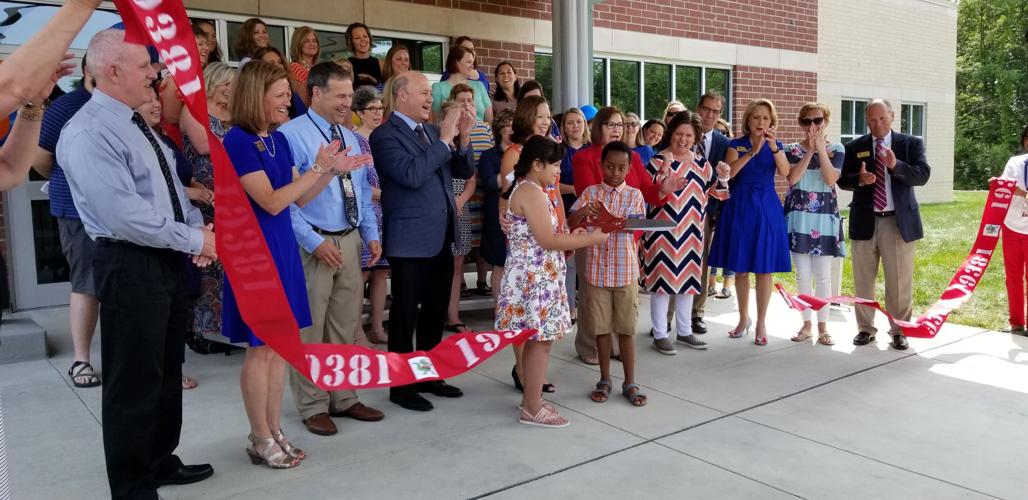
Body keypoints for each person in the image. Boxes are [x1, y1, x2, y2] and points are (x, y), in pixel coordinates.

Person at [58, 29, 217, 497]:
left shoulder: (136, 123)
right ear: (113, 72)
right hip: (130, 262)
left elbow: (169, 193)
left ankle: (159, 460)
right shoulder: (89, 131)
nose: (155, 74)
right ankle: (131, 485)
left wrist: (197, 235)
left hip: (165, 260)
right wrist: (194, 236)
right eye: (146, 66)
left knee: (165, 370)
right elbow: (124, 216)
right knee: (133, 380)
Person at [222, 60, 361, 468]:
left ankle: (273, 431)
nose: (288, 101)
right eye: (280, 95)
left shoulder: (276, 141)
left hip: (281, 248)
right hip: (255, 255)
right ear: (256, 96)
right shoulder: (239, 141)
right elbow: (270, 200)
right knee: (259, 349)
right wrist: (319, 168)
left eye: (288, 94)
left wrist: (330, 173)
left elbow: (298, 198)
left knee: (280, 348)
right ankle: (259, 435)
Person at [280, 62, 384, 436]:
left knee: (343, 326)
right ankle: (312, 404)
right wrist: (314, 241)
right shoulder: (291, 136)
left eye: (349, 94)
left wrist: (369, 234)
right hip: (313, 242)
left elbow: (358, 191)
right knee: (309, 329)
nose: (347, 102)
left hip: (350, 239)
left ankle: (344, 396)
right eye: (339, 95)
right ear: (316, 93)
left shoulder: (353, 137)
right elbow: (285, 202)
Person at [369, 71, 476, 412]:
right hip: (410, 239)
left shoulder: (432, 131)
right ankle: (400, 386)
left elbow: (461, 172)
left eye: (430, 93)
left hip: (440, 235)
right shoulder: (385, 135)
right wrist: (445, 140)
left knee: (433, 311)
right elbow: (411, 175)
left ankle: (429, 375)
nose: (430, 99)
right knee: (404, 314)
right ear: (401, 96)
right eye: (423, 93)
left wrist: (463, 137)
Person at [497, 136, 607, 427]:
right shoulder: (531, 191)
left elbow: (553, 231)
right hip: (535, 280)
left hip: (540, 276)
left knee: (540, 342)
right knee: (540, 342)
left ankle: (531, 400)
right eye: (555, 165)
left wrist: (581, 225)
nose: (559, 171)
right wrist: (591, 239)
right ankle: (532, 407)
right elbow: (547, 239)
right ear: (536, 164)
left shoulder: (535, 189)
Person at [571, 105, 683, 363]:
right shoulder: (585, 157)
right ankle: (589, 348)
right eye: (610, 124)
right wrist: (618, 219)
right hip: (594, 239)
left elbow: (648, 191)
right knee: (593, 296)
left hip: (625, 241)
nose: (615, 129)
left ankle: (615, 347)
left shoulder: (629, 157)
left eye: (620, 125)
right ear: (597, 127)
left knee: (621, 299)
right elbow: (589, 197)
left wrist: (663, 189)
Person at [837, 99, 931, 350]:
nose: (877, 124)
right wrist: (860, 179)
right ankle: (865, 328)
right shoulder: (855, 146)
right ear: (866, 120)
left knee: (899, 281)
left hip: (897, 223)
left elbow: (922, 175)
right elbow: (843, 180)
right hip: (865, 221)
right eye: (871, 120)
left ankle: (899, 330)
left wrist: (894, 165)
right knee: (863, 279)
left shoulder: (910, 144)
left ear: (892, 116)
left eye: (882, 118)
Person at [33, 57, 99, 388]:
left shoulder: (128, 107)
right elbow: (41, 160)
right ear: (91, 70)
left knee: (123, 288)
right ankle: (81, 361)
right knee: (86, 284)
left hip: (120, 214)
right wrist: (69, 180)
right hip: (75, 211)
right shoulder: (65, 108)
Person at [569, 141, 647, 407]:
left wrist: (615, 222)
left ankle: (630, 382)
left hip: (626, 271)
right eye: (610, 166)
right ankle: (604, 379)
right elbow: (570, 223)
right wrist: (582, 213)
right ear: (601, 165)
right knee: (601, 330)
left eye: (622, 167)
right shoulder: (590, 192)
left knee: (626, 329)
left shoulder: (635, 195)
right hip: (596, 272)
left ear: (629, 168)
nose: (615, 172)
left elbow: (638, 226)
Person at [708, 98, 791, 346]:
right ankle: (744, 319)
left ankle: (762, 322)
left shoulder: (777, 146)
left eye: (766, 118)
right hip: (739, 205)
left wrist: (773, 148)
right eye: (756, 117)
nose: (761, 122)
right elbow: (730, 174)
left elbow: (786, 173)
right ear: (748, 120)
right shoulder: (736, 145)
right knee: (741, 267)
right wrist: (752, 152)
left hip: (766, 205)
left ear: (772, 122)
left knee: (764, 269)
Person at [645, 111, 724, 354]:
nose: (683, 139)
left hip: (691, 231)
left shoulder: (702, 164)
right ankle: (660, 333)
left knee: (688, 282)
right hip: (661, 231)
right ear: (671, 133)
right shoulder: (657, 161)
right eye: (679, 133)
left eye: (689, 135)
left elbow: (716, 192)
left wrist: (723, 177)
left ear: (696, 137)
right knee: (662, 284)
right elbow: (647, 197)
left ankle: (685, 331)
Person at [180, 62, 235, 355]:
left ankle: (225, 327)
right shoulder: (193, 110)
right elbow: (204, 145)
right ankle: (200, 330)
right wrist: (238, 143)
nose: (230, 88)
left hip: (233, 196)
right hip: (204, 196)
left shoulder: (235, 115)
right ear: (212, 82)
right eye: (226, 82)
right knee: (207, 264)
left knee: (229, 265)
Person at [783, 102, 846, 346]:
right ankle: (806, 324)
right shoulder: (791, 149)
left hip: (825, 219)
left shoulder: (837, 148)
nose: (813, 126)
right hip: (799, 218)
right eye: (807, 121)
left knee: (823, 277)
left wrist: (821, 149)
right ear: (800, 123)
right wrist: (809, 150)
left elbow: (831, 178)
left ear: (826, 122)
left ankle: (823, 327)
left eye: (817, 121)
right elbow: (792, 178)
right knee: (803, 275)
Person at [689, 92, 733, 333]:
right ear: (698, 108)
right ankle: (667, 318)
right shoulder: (682, 135)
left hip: (707, 212)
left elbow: (726, 180)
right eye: (706, 109)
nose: (709, 115)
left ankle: (697, 313)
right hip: (679, 210)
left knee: (701, 263)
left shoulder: (724, 144)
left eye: (716, 111)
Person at [439, 90, 480, 334]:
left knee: (456, 266)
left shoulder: (465, 142)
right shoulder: (435, 141)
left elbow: (471, 179)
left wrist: (461, 200)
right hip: (438, 210)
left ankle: (453, 315)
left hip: (459, 208)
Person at [352, 86, 390, 345]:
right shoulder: (354, 140)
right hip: (367, 212)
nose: (378, 114)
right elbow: (357, 185)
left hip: (386, 213)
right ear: (359, 112)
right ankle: (355, 332)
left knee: (381, 272)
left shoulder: (385, 138)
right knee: (362, 274)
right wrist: (384, 195)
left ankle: (377, 327)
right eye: (372, 109)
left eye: (380, 109)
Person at [478, 110, 514, 300]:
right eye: (506, 125)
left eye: (514, 125)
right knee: (500, 264)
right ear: (499, 130)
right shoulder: (489, 156)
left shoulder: (524, 153)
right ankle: (499, 312)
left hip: (521, 214)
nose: (511, 129)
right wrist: (513, 165)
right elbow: (491, 183)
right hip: (497, 215)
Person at [559, 107, 590, 324]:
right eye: (570, 122)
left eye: (578, 121)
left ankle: (589, 308)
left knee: (588, 263)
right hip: (566, 209)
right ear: (564, 127)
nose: (575, 126)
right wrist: (574, 189)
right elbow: (550, 183)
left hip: (591, 213)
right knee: (569, 263)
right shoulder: (558, 151)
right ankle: (569, 308)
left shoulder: (593, 150)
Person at [159, 24, 209, 149]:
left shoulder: (203, 76)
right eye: (200, 44)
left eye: (206, 44)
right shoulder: (176, 78)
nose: (206, 48)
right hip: (180, 143)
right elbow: (170, 117)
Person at [999, 143, 1028, 335]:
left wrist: (1023, 192)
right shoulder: (1015, 162)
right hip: (1011, 225)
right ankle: (1016, 323)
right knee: (1013, 277)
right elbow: (1004, 186)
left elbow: (1016, 189)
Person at [432, 45, 492, 122]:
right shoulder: (438, 88)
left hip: (481, 132)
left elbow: (489, 119)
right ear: (456, 62)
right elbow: (434, 121)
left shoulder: (479, 86)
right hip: (452, 132)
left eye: (472, 63)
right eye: (468, 62)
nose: (472, 66)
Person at [253, 47, 308, 119]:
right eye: (271, 63)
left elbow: (303, 120)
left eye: (280, 62)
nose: (278, 66)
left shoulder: (293, 93)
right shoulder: (256, 99)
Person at [288, 26, 320, 105]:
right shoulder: (294, 68)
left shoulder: (319, 68)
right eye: (307, 41)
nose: (312, 44)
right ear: (298, 44)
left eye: (314, 41)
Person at [346, 22, 382, 90]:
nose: (363, 39)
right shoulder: (347, 64)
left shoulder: (380, 63)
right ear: (351, 42)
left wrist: (374, 81)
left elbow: (385, 92)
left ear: (369, 38)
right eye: (357, 38)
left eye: (365, 36)